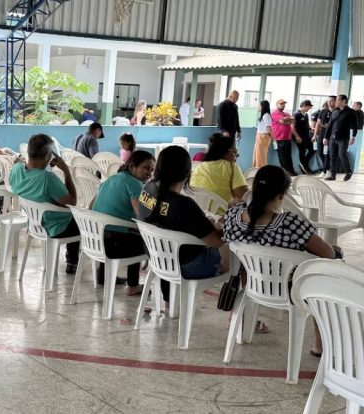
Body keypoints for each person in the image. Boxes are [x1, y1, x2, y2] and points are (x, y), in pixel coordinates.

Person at [223, 165, 339, 356]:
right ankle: (320, 344)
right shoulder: (289, 223)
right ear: (282, 195)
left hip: (252, 284)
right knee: (326, 274)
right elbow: (328, 254)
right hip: (290, 289)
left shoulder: (233, 217)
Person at [138, 145, 230, 306]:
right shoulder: (185, 205)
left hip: (156, 256)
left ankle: (169, 301)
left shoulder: (147, 190)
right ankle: (237, 316)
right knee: (236, 255)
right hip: (186, 266)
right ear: (187, 172)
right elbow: (216, 242)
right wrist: (217, 226)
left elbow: (165, 219)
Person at [10, 133, 80, 274]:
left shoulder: (16, 170)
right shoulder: (47, 179)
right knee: (82, 221)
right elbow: (72, 202)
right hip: (55, 227)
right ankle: (72, 262)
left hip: (34, 224)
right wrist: (66, 171)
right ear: (49, 156)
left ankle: (72, 261)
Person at [91, 150, 155, 293]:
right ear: (132, 167)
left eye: (152, 170)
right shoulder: (135, 184)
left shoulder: (110, 179)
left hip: (95, 241)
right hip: (113, 246)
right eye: (146, 168)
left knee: (116, 229)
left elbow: (90, 207)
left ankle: (102, 275)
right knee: (145, 241)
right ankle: (132, 285)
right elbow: (143, 216)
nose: (149, 173)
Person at [190, 133, 248, 204]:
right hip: (221, 213)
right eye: (235, 152)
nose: (237, 155)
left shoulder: (200, 167)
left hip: (198, 211)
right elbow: (244, 197)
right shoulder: (231, 167)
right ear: (226, 152)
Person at [324, 94, 358, 181]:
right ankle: (332, 175)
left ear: (344, 101)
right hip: (332, 138)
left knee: (342, 154)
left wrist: (353, 136)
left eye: (338, 100)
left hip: (343, 138)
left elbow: (355, 125)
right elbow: (330, 125)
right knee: (332, 156)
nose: (336, 101)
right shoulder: (335, 111)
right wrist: (326, 137)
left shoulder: (351, 112)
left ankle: (348, 172)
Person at [271, 99, 298, 176]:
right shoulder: (274, 113)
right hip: (279, 139)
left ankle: (291, 171)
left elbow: (293, 121)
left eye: (284, 104)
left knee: (288, 156)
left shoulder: (286, 113)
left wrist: (287, 120)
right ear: (277, 105)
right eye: (281, 104)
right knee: (282, 157)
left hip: (288, 138)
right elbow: (282, 121)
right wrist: (288, 120)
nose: (283, 105)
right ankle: (286, 173)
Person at [312, 96, 337, 177]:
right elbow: (318, 124)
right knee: (320, 152)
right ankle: (326, 168)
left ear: (336, 102)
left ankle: (325, 170)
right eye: (328, 101)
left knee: (328, 153)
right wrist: (315, 135)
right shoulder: (323, 111)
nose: (329, 102)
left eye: (331, 101)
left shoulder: (337, 112)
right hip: (322, 133)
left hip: (331, 135)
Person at [293, 100, 315, 175]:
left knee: (312, 149)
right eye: (308, 107)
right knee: (302, 151)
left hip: (306, 136)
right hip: (299, 136)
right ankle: (305, 167)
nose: (309, 108)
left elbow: (306, 125)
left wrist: (311, 129)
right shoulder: (296, 114)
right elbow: (292, 127)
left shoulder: (306, 114)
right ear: (304, 105)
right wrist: (297, 136)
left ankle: (304, 164)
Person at [253, 100, 273, 168]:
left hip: (263, 136)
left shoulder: (266, 115)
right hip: (260, 136)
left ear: (263, 107)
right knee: (257, 155)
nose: (258, 107)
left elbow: (268, 129)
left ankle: (261, 170)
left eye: (259, 105)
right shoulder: (264, 115)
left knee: (261, 156)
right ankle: (256, 170)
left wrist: (271, 137)